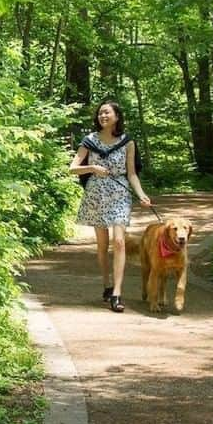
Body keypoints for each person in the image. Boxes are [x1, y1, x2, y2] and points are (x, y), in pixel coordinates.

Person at [69, 100, 152, 312]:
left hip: (120, 193)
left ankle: (117, 292)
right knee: (102, 245)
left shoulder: (128, 142)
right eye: (100, 113)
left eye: (107, 113)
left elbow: (132, 173)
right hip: (96, 194)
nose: (102, 116)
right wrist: (92, 167)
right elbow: (73, 169)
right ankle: (106, 283)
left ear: (117, 116)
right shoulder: (89, 140)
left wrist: (142, 195)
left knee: (119, 241)